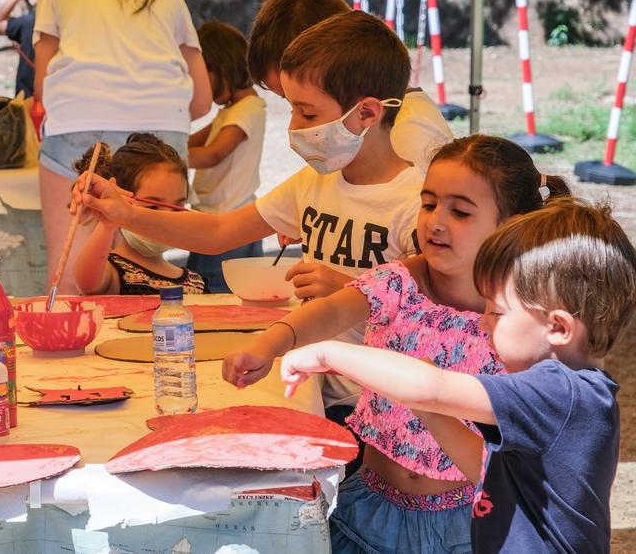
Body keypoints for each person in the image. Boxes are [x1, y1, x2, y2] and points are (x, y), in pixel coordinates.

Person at [224, 135, 570, 554]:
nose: (436, 221)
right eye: (428, 204)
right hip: (370, 508)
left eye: (460, 211)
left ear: (511, 223)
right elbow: (332, 311)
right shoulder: (402, 281)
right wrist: (270, 342)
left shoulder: (520, 318)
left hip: (470, 523)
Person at [76, 11, 423, 415]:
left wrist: (346, 287)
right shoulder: (313, 183)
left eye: (308, 113)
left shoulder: (416, 203)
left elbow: (438, 316)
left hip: (383, 410)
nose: (293, 126)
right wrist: (123, 212)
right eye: (291, 109)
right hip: (315, 391)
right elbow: (219, 231)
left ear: (366, 113)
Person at [280, 196, 636, 554]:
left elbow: (429, 386)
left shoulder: (560, 395)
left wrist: (327, 352)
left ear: (558, 327)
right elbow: (483, 466)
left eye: (496, 312)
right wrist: (431, 412)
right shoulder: (570, 394)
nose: (482, 321)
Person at [33, 0, 211, 293]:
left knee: (70, 273)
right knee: (150, 266)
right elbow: (202, 100)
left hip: (79, 122)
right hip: (163, 128)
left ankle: (70, 346)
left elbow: (42, 88)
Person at [247, 0, 452, 170]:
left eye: (307, 111)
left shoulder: (409, 136)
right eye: (291, 104)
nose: (294, 128)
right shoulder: (358, 137)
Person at [186, 21, 266, 292]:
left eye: (200, 74)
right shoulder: (230, 111)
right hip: (216, 222)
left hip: (227, 227)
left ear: (221, 68)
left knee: (213, 298)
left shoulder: (249, 108)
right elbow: (191, 142)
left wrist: (169, 161)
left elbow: (213, 154)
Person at [72, 134, 206, 296]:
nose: (167, 218)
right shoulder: (112, 273)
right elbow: (87, 283)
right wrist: (108, 223)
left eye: (177, 208)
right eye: (153, 206)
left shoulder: (196, 282)